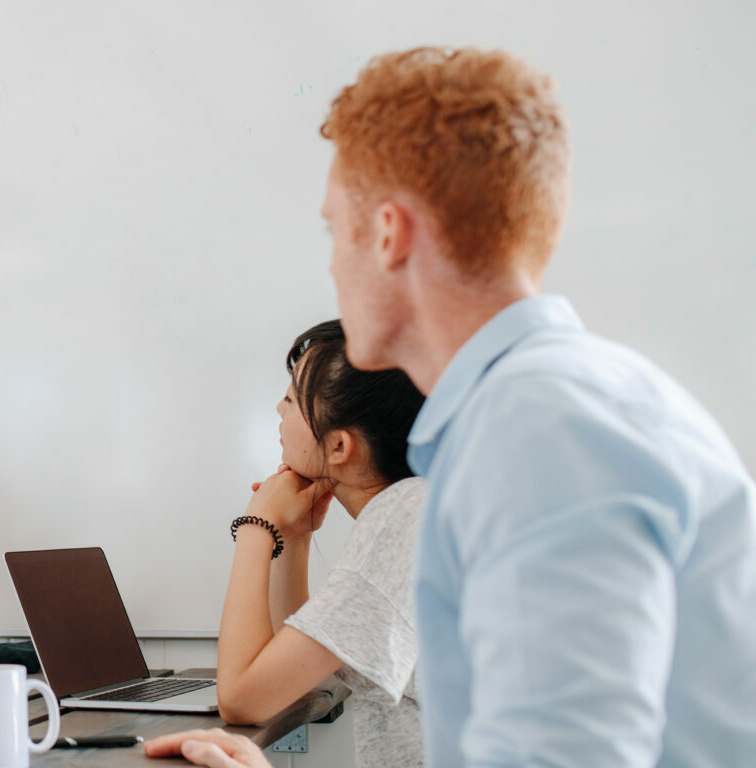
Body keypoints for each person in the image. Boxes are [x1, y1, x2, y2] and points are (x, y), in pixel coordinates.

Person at [318, 47, 756, 765]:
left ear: (390, 233)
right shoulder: (557, 403)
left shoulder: (536, 431)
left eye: (334, 229)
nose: (333, 261)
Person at [149, 319, 427, 767]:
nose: (279, 409)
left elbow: (243, 698)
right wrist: (293, 539)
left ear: (339, 446)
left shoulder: (403, 521)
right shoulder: (411, 509)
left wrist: (256, 525)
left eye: (293, 399)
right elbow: (287, 676)